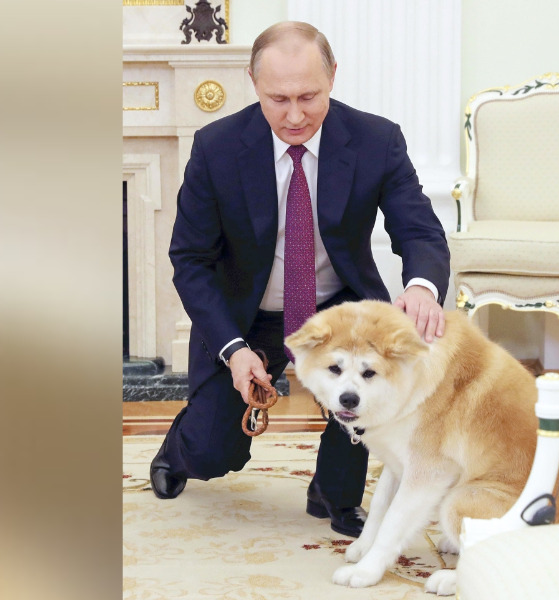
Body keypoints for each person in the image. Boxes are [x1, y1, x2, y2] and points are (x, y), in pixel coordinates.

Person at [150, 21, 450, 538]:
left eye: (308, 97)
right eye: (278, 99)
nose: (294, 116)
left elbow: (418, 228)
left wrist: (422, 286)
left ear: (333, 77)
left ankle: (334, 492)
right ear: (253, 83)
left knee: (363, 391)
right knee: (213, 452)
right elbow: (190, 259)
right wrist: (233, 350)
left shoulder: (376, 140)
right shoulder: (216, 147)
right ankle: (177, 451)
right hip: (246, 317)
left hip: (339, 311)